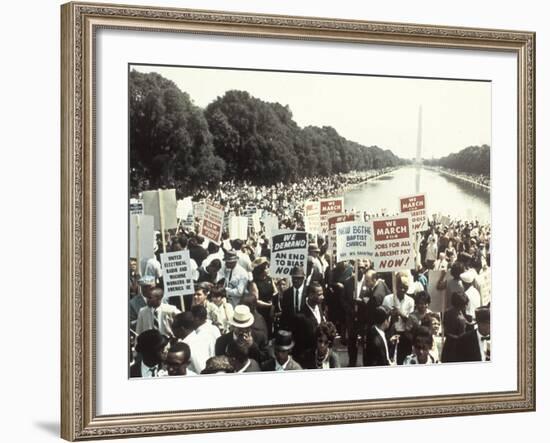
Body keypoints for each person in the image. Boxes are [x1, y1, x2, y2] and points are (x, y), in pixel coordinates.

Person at [382, 271, 415, 364]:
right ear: (396, 286)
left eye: (405, 288)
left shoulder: (410, 301)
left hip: (405, 335)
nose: (403, 290)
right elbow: (383, 319)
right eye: (400, 287)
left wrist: (399, 312)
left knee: (404, 361)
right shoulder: (387, 299)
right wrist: (390, 315)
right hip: (391, 334)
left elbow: (410, 321)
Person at [292, 282, 326, 365]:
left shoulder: (320, 307)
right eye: (319, 295)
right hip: (307, 360)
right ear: (310, 295)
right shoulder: (300, 317)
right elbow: (299, 345)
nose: (322, 297)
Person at [183, 304, 220, 374]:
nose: (190, 321)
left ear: (196, 318)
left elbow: (200, 362)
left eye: (191, 318)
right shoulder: (215, 328)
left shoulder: (199, 335)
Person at [441, 292, 470, 363]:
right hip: (456, 348)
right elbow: (462, 337)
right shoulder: (460, 319)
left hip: (447, 345)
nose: (466, 306)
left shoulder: (447, 313)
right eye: (465, 304)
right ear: (462, 305)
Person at [251, 257, 276, 338]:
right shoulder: (254, 284)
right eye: (266, 268)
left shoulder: (269, 279)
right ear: (260, 270)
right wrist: (269, 305)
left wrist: (274, 303)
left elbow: (275, 291)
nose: (268, 269)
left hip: (271, 310)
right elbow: (256, 301)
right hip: (261, 311)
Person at [280, 266, 306, 331]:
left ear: (303, 279)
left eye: (298, 278)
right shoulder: (287, 293)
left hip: (305, 327)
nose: (295, 280)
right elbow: (284, 313)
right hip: (290, 328)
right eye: (293, 277)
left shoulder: (308, 292)